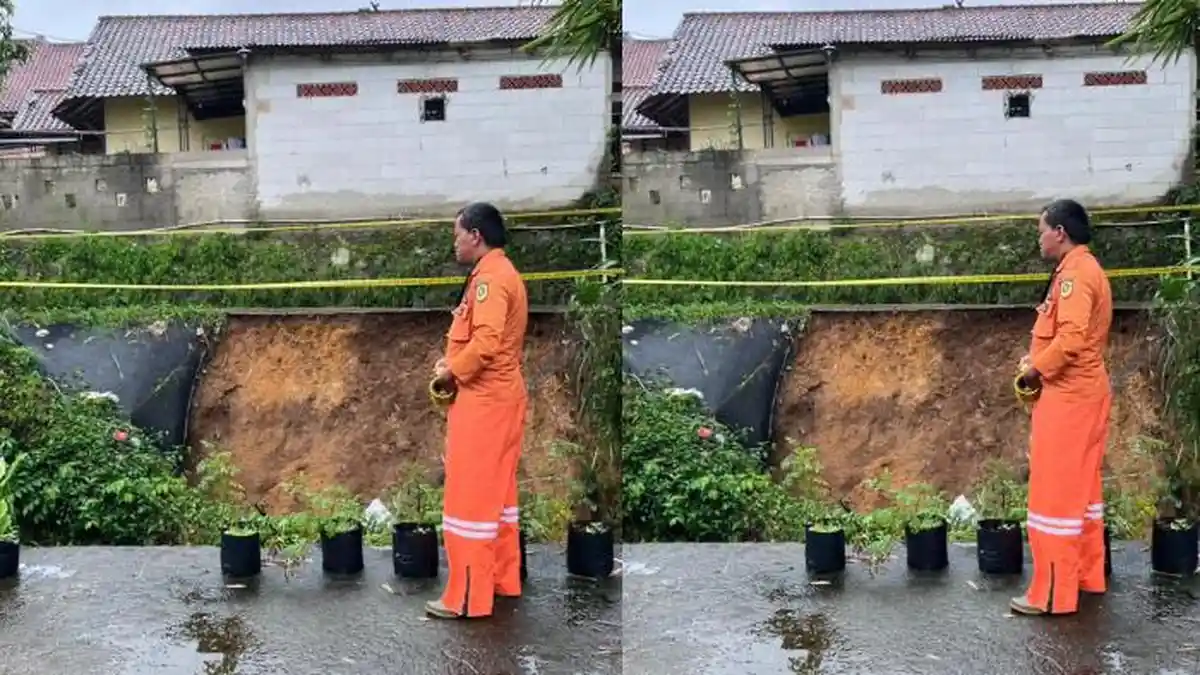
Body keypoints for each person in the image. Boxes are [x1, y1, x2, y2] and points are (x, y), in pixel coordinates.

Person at [425, 202, 529, 620]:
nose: (454, 241)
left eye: (457, 233)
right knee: (498, 498)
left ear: (476, 235)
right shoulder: (500, 274)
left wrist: (450, 371)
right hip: (501, 399)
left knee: (469, 499)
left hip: (484, 403)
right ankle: (502, 581)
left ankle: (467, 595)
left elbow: (484, 345)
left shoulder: (490, 280)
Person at [1011, 198, 1113, 616]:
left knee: (1054, 496)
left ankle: (1052, 592)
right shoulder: (1083, 270)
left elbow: (1069, 341)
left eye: (1041, 230)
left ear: (1060, 232)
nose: (1039, 238)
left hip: (1069, 400)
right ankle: (1086, 578)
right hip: (1084, 395)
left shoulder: (1075, 277)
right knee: (1082, 494)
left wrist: (1034, 371)